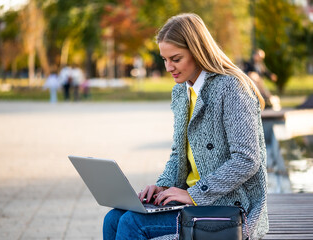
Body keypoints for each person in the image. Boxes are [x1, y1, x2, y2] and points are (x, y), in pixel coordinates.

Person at [103, 13, 269, 240]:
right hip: (192, 201)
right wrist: (162, 187)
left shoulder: (231, 88)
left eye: (176, 59)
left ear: (198, 52)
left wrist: (194, 195)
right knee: (113, 219)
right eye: (164, 59)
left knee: (133, 224)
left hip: (229, 207)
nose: (168, 67)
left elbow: (247, 160)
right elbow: (178, 153)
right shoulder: (182, 91)